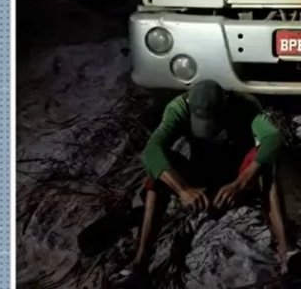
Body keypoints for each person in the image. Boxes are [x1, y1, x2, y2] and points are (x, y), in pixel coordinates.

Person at [122, 80, 291, 283]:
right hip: (200, 178)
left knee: (266, 164)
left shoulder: (244, 105)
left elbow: (272, 138)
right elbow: (152, 151)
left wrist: (241, 182)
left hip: (236, 178)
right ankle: (140, 263)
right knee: (156, 174)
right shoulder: (179, 107)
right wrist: (183, 189)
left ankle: (285, 250)